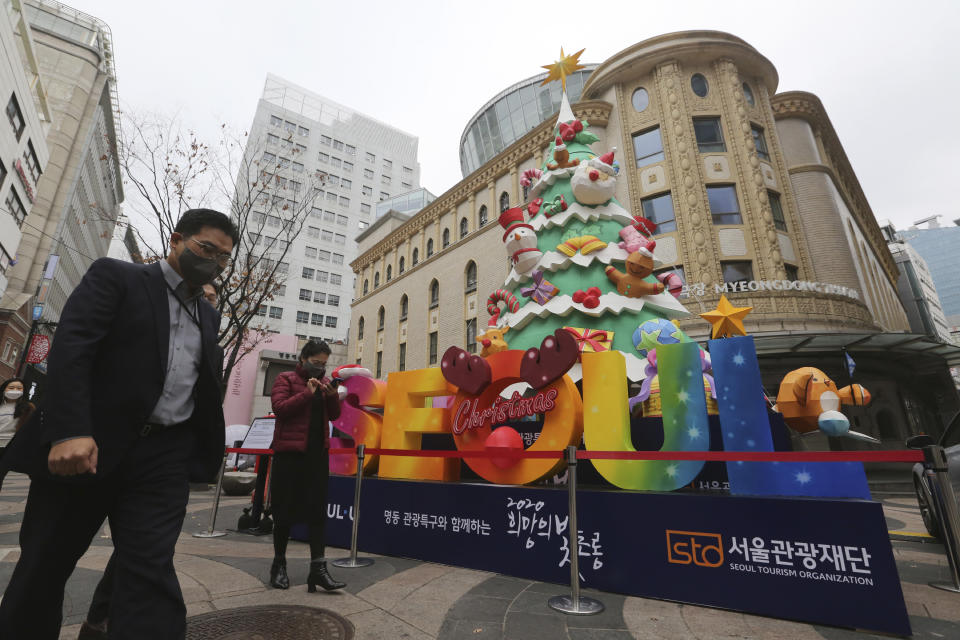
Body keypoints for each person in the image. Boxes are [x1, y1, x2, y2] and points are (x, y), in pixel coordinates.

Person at [0, 208, 237, 640]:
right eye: (207, 249)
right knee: (43, 569)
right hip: (88, 446)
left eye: (223, 259)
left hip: (162, 459)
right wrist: (71, 429)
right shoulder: (118, 278)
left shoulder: (210, 315)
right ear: (176, 239)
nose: (214, 263)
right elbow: (73, 347)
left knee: (150, 574)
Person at [78, 268, 226, 640]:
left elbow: (203, 398)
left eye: (213, 301)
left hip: (165, 457)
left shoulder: (211, 340)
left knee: (149, 554)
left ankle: (104, 621)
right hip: (100, 446)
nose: (207, 306)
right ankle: (97, 619)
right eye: (203, 298)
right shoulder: (138, 307)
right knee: (52, 558)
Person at [268, 339, 345, 592]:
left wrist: (332, 398)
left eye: (323, 364)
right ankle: (279, 566)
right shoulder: (286, 379)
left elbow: (333, 416)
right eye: (315, 363)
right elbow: (280, 409)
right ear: (303, 359)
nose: (319, 368)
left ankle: (318, 569)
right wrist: (306, 393)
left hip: (317, 456)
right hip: (289, 456)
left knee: (317, 512)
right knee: (283, 512)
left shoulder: (323, 384)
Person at [0, 377, 34, 453]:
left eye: (19, 388)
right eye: (11, 388)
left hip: (10, 448)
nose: (15, 390)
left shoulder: (28, 408)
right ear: (4, 389)